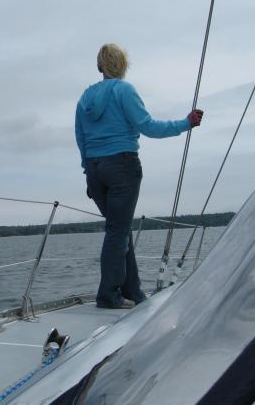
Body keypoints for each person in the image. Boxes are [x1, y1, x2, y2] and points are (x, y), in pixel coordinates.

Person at [75, 43, 203, 309]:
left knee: (120, 229)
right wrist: (186, 123)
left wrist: (89, 172)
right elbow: (148, 126)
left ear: (100, 66)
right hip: (122, 166)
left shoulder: (84, 99)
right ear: (123, 65)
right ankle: (108, 295)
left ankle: (132, 290)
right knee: (117, 231)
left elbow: (81, 138)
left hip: (95, 172)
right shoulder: (124, 91)